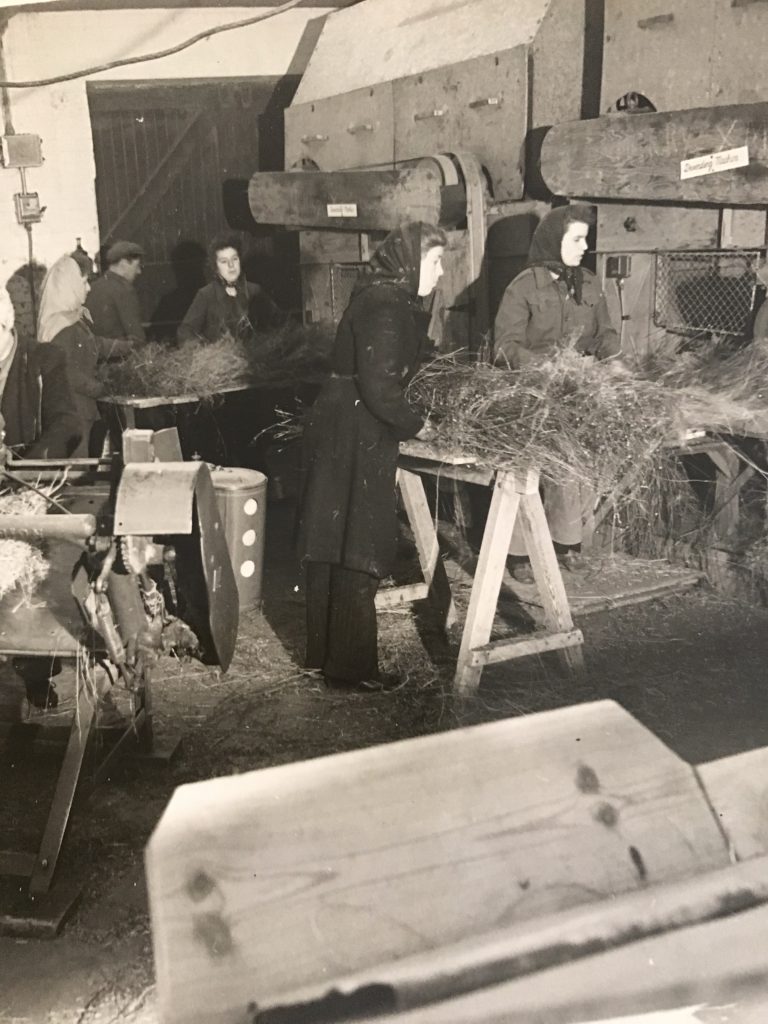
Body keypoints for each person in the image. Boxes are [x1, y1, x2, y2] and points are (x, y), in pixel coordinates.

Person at [296, 221, 445, 691]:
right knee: (361, 544)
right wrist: (422, 425)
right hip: (359, 429)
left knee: (332, 543)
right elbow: (381, 386)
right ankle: (353, 668)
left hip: (341, 422)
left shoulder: (379, 297)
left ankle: (324, 656)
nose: (440, 274)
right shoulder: (387, 305)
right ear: (411, 261)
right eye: (436, 262)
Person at [493, 204, 622, 582]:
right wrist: (544, 366)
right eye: (577, 239)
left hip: (575, 391)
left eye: (586, 239)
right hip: (530, 393)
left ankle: (566, 542)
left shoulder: (591, 283)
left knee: (573, 464)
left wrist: (613, 359)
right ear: (554, 241)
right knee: (525, 467)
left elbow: (605, 333)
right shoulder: (523, 287)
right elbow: (504, 347)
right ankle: (518, 553)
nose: (584, 247)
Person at [38, 255, 133, 456]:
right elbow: (68, 374)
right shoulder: (61, 327)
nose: (88, 288)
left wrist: (127, 347)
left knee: (83, 471)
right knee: (75, 474)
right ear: (69, 285)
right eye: (84, 282)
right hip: (72, 415)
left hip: (81, 411)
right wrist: (102, 389)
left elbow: (94, 344)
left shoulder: (72, 321)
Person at [0, 285, 80, 459]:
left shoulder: (44, 359)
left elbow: (67, 424)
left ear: (5, 323)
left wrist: (26, 469)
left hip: (24, 479)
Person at [177, 234, 283, 345]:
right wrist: (205, 351)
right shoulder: (206, 295)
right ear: (215, 268)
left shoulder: (254, 290)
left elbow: (278, 324)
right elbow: (184, 332)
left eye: (234, 259)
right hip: (220, 359)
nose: (231, 265)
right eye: (224, 261)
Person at [86, 240, 146, 343]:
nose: (139, 271)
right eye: (137, 266)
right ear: (123, 264)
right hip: (119, 356)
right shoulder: (124, 290)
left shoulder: (93, 287)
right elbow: (136, 337)